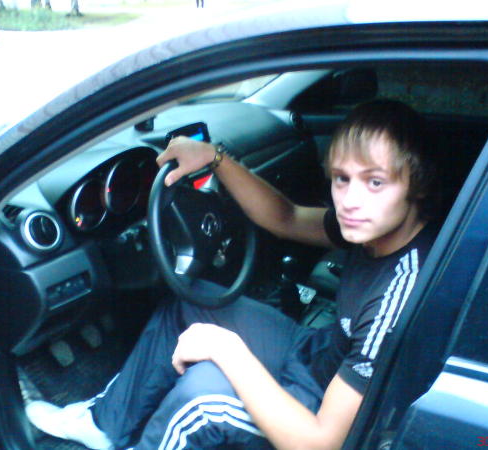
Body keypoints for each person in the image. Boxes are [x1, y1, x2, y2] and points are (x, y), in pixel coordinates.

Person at [25, 99, 440, 449]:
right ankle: (104, 425)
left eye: (375, 183)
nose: (350, 200)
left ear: (417, 186)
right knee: (189, 302)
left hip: (319, 414)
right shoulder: (372, 226)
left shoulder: (401, 294)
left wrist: (228, 350)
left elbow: (320, 442)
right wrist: (215, 158)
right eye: (342, 179)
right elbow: (285, 217)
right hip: (318, 354)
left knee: (200, 397)